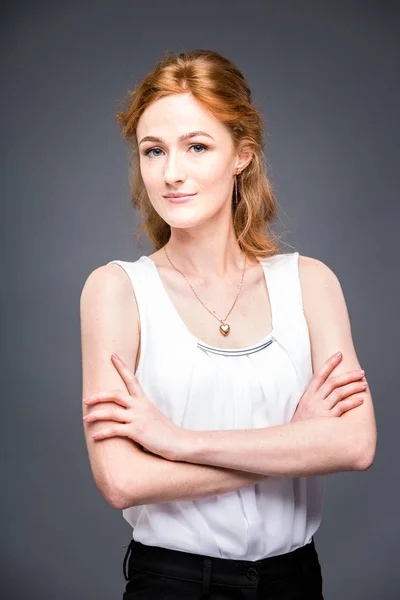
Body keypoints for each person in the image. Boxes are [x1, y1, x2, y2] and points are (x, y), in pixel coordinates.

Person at [80, 49, 377, 599]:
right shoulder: (116, 290)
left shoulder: (310, 282)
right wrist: (295, 444)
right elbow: (123, 481)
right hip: (173, 584)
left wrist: (176, 442)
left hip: (295, 582)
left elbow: (355, 444)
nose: (171, 173)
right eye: (153, 151)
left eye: (197, 146)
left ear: (241, 155)